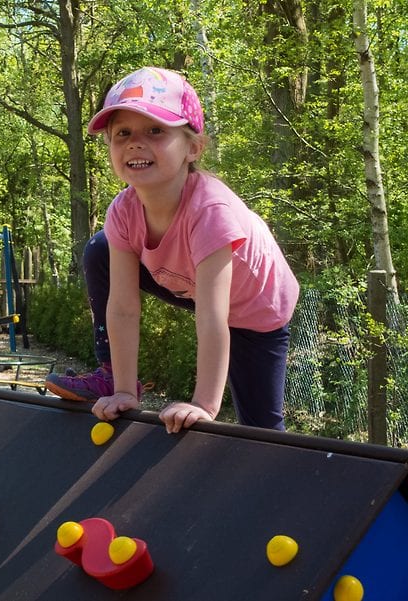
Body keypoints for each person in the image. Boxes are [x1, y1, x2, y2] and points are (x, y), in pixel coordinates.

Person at [45, 66, 299, 433]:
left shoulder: (210, 211)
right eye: (122, 134)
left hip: (256, 308)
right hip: (189, 283)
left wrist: (203, 404)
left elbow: (213, 317)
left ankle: (275, 486)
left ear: (193, 148)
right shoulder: (123, 210)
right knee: (100, 249)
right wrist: (123, 392)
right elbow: (122, 308)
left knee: (261, 430)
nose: (135, 142)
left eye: (155, 131)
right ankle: (114, 374)